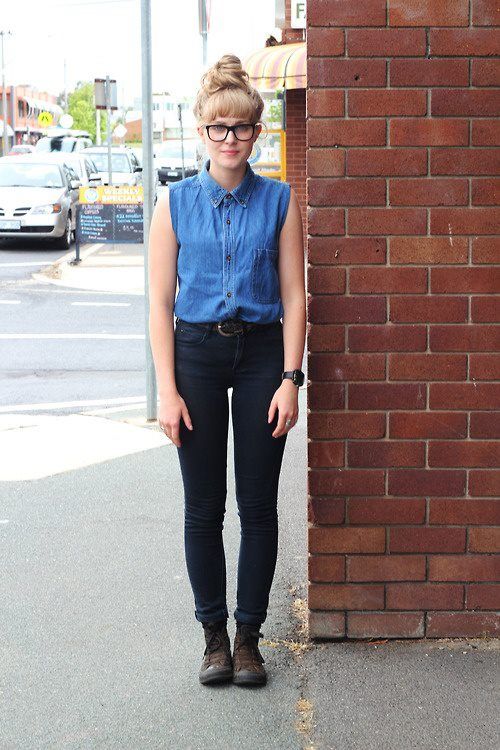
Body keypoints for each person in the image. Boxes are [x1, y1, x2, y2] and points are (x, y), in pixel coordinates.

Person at [148, 54, 306, 687]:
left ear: (256, 133)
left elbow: (294, 296)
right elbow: (159, 304)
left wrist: (291, 379)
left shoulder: (280, 200)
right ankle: (213, 637)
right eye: (218, 127)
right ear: (202, 131)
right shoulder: (174, 203)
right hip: (197, 356)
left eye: (240, 127)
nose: (230, 138)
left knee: (258, 505)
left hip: (264, 352)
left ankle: (249, 640)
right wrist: (167, 390)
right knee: (203, 506)